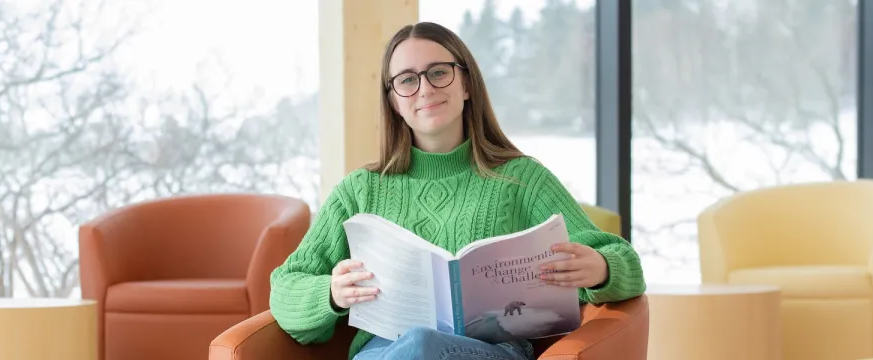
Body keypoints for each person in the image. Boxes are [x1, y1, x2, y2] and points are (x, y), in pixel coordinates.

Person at [268, 21, 646, 360]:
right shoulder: (359, 191)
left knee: (421, 345)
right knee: (413, 346)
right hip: (383, 351)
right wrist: (332, 294)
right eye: (407, 80)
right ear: (394, 101)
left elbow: (623, 261)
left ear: (466, 84)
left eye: (438, 72)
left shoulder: (522, 178)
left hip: (493, 351)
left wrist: (601, 269)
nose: (425, 89)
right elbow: (285, 289)